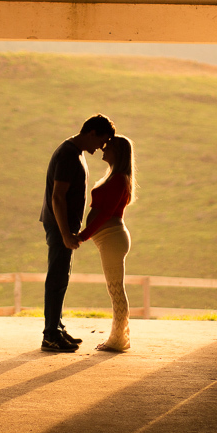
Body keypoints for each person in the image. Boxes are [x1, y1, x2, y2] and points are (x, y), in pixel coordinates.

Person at [39, 114, 116, 352]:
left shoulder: (75, 154)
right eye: (100, 141)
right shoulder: (67, 155)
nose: (100, 148)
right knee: (56, 278)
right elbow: (57, 196)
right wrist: (64, 232)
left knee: (62, 278)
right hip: (59, 225)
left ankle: (57, 328)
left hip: (65, 226)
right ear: (91, 132)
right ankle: (50, 335)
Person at [78, 135, 136, 352]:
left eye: (108, 147)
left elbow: (105, 213)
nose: (103, 149)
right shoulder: (114, 177)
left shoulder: (119, 179)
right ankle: (119, 336)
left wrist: (84, 235)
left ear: (117, 153)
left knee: (116, 290)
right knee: (115, 289)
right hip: (109, 238)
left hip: (112, 237)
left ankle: (118, 339)